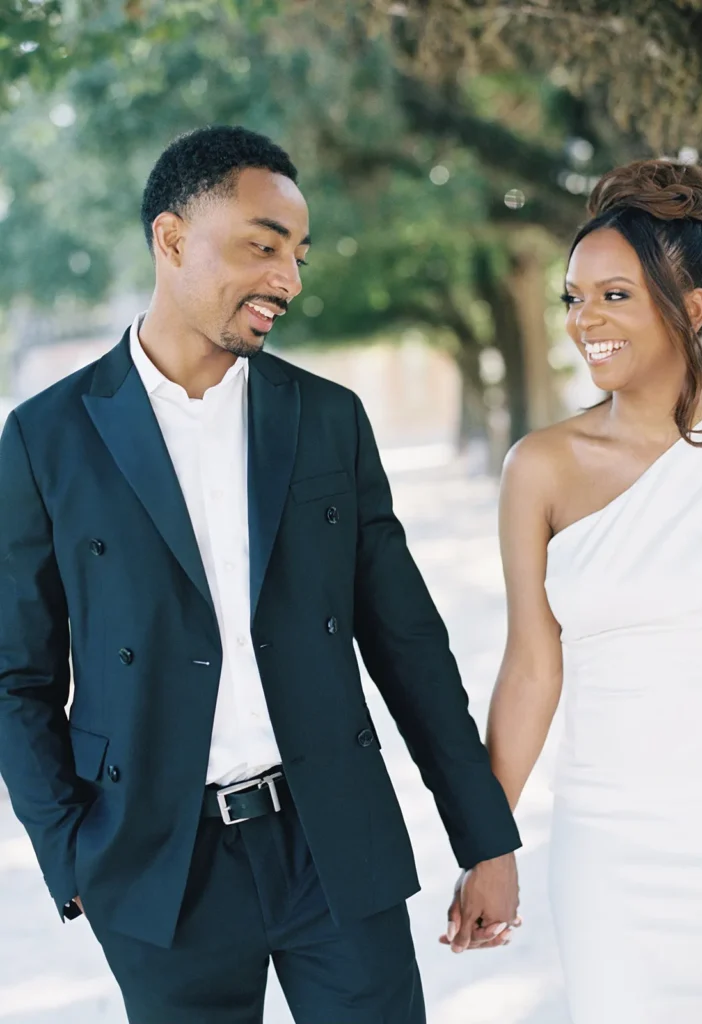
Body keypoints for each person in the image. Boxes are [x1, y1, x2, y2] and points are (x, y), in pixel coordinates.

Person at [0, 125, 521, 1024]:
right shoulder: (47, 439)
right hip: (160, 871)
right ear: (171, 240)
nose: (289, 280)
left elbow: (409, 646)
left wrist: (486, 839)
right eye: (263, 246)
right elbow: (17, 677)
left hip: (335, 848)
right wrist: (73, 856)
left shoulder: (328, 420)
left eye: (298, 255)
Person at [486, 159, 702, 1022]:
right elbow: (531, 669)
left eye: (615, 296)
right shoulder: (540, 467)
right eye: (574, 298)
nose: (585, 321)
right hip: (610, 853)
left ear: (691, 309)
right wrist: (488, 842)